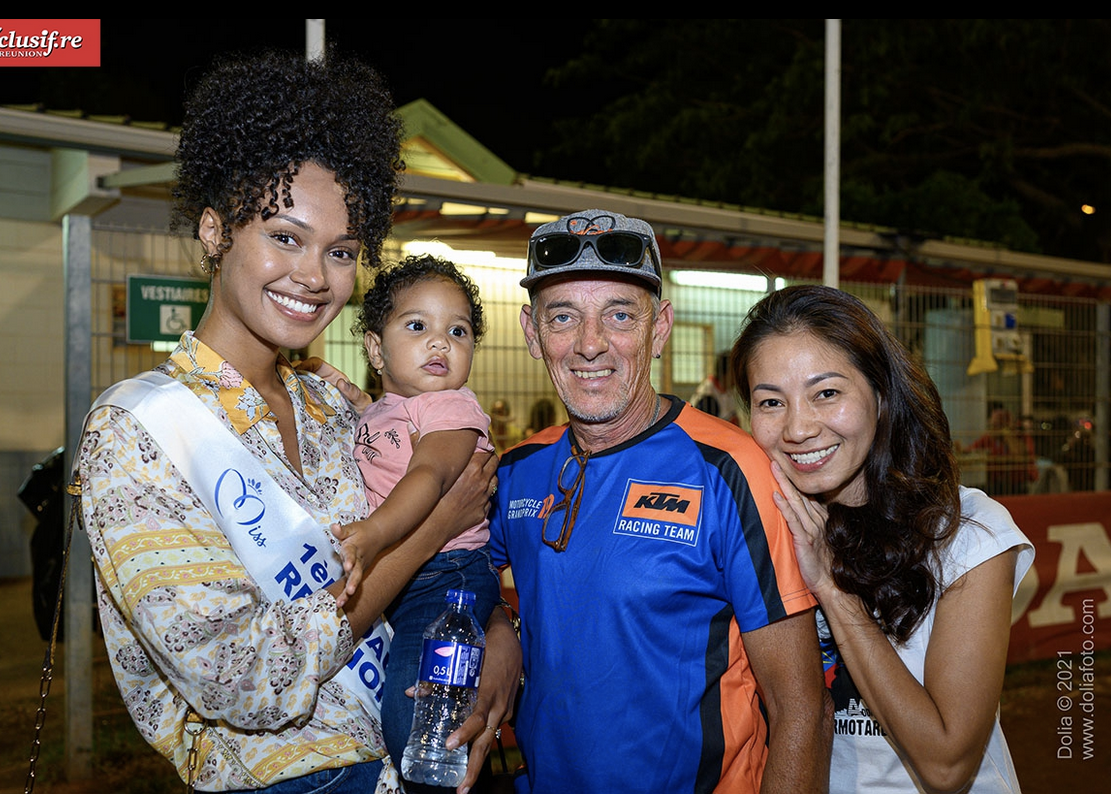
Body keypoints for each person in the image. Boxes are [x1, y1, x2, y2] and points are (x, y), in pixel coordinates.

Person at [75, 48, 519, 794]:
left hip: (405, 761)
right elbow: (244, 680)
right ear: (215, 232)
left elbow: (445, 550)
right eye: (285, 237)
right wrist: (431, 532)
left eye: (340, 251)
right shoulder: (136, 431)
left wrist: (495, 632)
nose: (314, 277)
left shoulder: (333, 408)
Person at [489, 209, 828, 793]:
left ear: (659, 329)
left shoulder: (732, 470)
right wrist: (497, 635)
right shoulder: (516, 473)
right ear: (531, 333)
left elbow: (803, 711)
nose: (590, 344)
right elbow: (462, 584)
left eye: (620, 315)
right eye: (563, 317)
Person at [731, 285, 1035, 793]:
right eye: (770, 402)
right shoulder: (759, 529)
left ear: (881, 394)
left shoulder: (968, 533)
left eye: (826, 393)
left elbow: (947, 766)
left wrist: (831, 586)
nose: (798, 428)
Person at [335, 254, 501, 781]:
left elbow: (427, 476)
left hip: (447, 580)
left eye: (459, 331)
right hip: (409, 577)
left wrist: (373, 532)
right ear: (375, 349)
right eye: (417, 326)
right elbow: (386, 431)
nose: (440, 342)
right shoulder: (388, 408)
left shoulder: (452, 410)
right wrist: (353, 397)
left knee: (416, 714)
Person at [966, 403, 1037, 496]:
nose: (991, 430)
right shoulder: (990, 438)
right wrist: (962, 449)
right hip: (998, 483)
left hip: (1019, 483)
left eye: (994, 426)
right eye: (991, 426)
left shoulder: (1021, 437)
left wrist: (1008, 436)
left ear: (1005, 426)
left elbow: (1023, 455)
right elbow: (971, 449)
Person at [691, 348, 738, 424]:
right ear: (727, 372)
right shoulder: (707, 393)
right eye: (735, 373)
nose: (738, 378)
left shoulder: (729, 391)